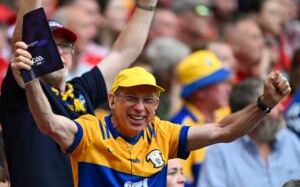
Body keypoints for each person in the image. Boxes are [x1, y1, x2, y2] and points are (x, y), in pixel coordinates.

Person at [0, 0, 168, 187]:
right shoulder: (25, 88)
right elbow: (24, 39)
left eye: (66, 46)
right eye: (50, 45)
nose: (60, 51)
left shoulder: (82, 89)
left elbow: (123, 53)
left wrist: (148, 0)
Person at [23, 64, 290, 186]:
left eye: (148, 100)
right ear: (112, 100)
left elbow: (224, 130)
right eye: (131, 98)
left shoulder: (163, 132)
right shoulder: (91, 131)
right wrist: (31, 79)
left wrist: (265, 103)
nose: (140, 108)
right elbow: (48, 123)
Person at [198, 78, 300, 187]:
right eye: (273, 105)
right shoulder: (220, 153)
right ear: (253, 113)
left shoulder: (290, 141)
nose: (282, 109)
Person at [170, 50, 232, 186]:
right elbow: (182, 183)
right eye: (220, 83)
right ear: (200, 92)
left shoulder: (225, 113)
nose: (228, 88)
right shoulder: (180, 127)